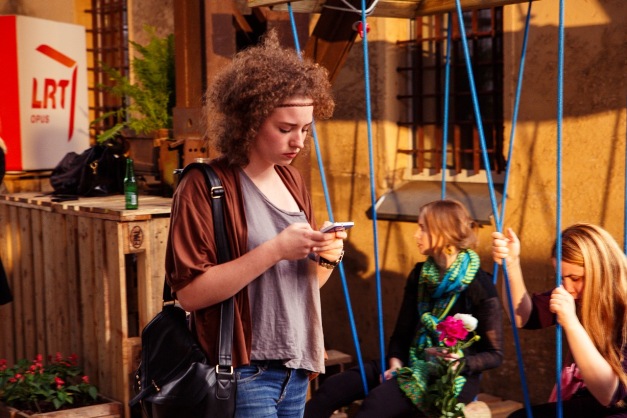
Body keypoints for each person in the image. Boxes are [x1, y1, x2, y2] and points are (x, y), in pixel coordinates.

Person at [165, 30, 347, 418]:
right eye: (285, 129)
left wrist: (327, 257)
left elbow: (298, 288)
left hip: (297, 368)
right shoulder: (205, 184)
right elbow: (190, 295)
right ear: (248, 121)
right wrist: (275, 249)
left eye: (305, 129)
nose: (299, 142)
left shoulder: (292, 180)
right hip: (244, 372)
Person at [305, 199, 503, 418]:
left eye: (423, 228)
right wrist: (395, 364)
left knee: (376, 404)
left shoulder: (479, 284)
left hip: (451, 375)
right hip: (411, 358)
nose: (416, 235)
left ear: (443, 232)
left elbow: (494, 354)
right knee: (332, 389)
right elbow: (401, 334)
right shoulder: (420, 275)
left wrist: (460, 362)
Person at [492, 223, 627, 417]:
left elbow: (611, 395)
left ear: (602, 271)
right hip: (593, 399)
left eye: (575, 278)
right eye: (561, 279)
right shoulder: (578, 294)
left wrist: (571, 323)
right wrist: (511, 264)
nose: (567, 288)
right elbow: (525, 317)